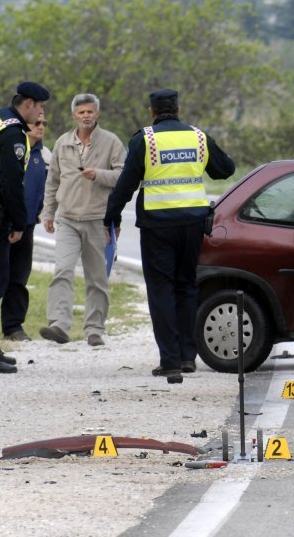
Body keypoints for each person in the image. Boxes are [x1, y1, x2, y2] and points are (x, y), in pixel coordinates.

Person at [104, 89, 235, 384]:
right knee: (187, 286)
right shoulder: (198, 137)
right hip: (192, 223)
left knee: (161, 289)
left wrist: (111, 217)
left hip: (158, 225)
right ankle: (189, 356)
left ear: (152, 111)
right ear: (177, 108)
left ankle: (170, 361)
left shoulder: (145, 140)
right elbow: (225, 170)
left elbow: (125, 185)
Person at [40, 93, 126, 347]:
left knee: (97, 278)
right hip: (66, 219)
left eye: (90, 112)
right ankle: (58, 325)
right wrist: (48, 212)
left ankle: (95, 329)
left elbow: (123, 176)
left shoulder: (111, 142)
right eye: (81, 112)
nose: (86, 116)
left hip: (98, 220)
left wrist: (98, 175)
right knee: (62, 271)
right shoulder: (62, 143)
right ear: (74, 116)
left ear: (97, 114)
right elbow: (53, 180)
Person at [0, 81, 49, 373]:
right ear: (28, 103)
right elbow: (10, 183)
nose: (40, 114)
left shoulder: (0, 119)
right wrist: (19, 222)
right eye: (40, 108)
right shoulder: (13, 133)